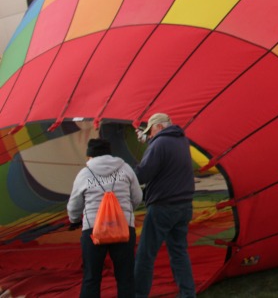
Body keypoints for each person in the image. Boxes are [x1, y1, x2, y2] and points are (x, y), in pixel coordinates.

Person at [67, 138, 142, 298]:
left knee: (91, 278)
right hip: (123, 230)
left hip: (93, 231)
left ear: (90, 156)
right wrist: (126, 213)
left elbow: (74, 205)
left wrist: (74, 220)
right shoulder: (125, 168)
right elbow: (137, 197)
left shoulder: (84, 173)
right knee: (125, 277)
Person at [134, 113, 196, 298]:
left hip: (163, 206)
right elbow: (162, 151)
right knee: (179, 252)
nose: (149, 135)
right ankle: (188, 294)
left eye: (150, 131)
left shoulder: (159, 144)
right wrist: (148, 141)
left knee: (146, 254)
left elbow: (142, 175)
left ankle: (138, 294)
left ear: (159, 127)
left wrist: (126, 172)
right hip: (184, 205)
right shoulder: (182, 141)